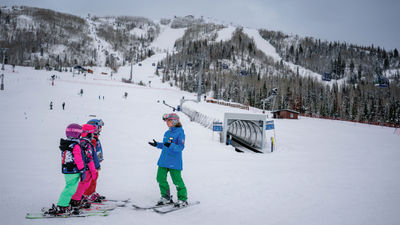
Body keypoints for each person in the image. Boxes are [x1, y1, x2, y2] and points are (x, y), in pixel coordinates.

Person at [148, 113, 188, 207]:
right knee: (160, 178)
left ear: (174, 121)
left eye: (169, 120)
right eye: (166, 121)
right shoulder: (167, 133)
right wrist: (157, 144)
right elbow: (166, 145)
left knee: (177, 181)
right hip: (164, 160)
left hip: (174, 162)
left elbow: (180, 147)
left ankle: (183, 199)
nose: (167, 122)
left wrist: (171, 145)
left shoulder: (180, 132)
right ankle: (166, 197)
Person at [47, 124, 85, 215]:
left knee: (70, 187)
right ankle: (62, 206)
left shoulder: (67, 144)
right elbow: (78, 158)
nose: (80, 136)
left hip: (68, 170)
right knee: (70, 188)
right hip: (73, 170)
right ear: (76, 134)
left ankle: (64, 204)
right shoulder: (75, 146)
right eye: (80, 134)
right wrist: (82, 169)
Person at [70, 124, 98, 209]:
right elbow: (89, 159)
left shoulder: (81, 142)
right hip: (87, 169)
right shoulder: (87, 144)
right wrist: (93, 171)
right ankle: (75, 200)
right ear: (88, 134)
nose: (93, 135)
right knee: (83, 185)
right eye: (92, 133)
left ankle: (77, 198)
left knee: (83, 184)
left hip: (82, 168)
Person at [83, 119, 105, 202]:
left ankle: (91, 192)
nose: (101, 129)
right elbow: (91, 152)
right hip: (91, 164)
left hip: (95, 163)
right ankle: (87, 194)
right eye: (100, 127)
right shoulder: (92, 140)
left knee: (94, 178)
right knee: (91, 178)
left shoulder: (95, 138)